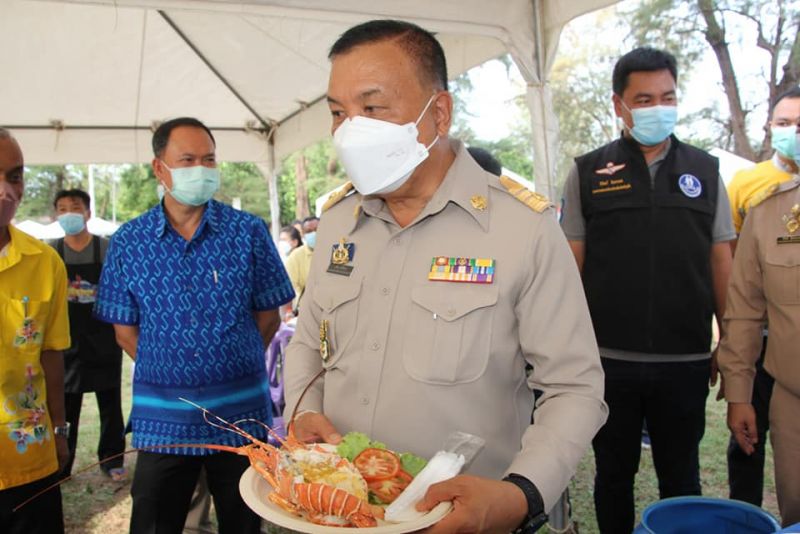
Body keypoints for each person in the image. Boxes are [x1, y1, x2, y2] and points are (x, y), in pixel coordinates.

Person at [283, 20, 607, 534]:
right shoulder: (340, 220)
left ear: (438, 113)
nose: (350, 131)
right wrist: (303, 412)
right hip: (338, 511)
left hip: (461, 520)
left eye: (372, 108)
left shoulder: (522, 229)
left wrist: (520, 494)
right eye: (339, 113)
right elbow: (307, 337)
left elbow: (575, 387)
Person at [560, 47, 735, 533]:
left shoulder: (706, 170)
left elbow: (721, 261)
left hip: (685, 360)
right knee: (613, 475)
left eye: (668, 96)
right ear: (620, 105)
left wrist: (730, 341)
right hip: (608, 361)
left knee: (682, 479)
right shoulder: (588, 171)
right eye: (644, 98)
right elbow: (570, 265)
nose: (658, 107)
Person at [94, 117, 295, 534]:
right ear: (159, 168)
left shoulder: (248, 232)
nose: (200, 169)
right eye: (187, 159)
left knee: (244, 521)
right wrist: (172, 367)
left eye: (208, 159)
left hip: (242, 416)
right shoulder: (129, 241)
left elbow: (270, 314)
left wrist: (228, 361)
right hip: (162, 420)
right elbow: (123, 329)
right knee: (153, 521)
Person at [723, 87, 800, 507]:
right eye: (785, 123)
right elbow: (744, 308)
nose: (794, 133)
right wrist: (739, 392)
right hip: (789, 389)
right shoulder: (766, 205)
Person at [0, 128, 71, 533]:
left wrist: (60, 432)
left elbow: (51, 352)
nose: (6, 191)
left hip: (29, 461)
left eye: (15, 176)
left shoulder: (45, 263)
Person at [49, 189, 126, 482]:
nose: (69, 213)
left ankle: (112, 459)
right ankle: (62, 462)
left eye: (75, 207)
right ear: (57, 215)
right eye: (63, 208)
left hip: (103, 337)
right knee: (67, 404)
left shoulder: (106, 248)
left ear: (88, 213)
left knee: (110, 402)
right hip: (66, 340)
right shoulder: (51, 252)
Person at [284, 217, 320, 313]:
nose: (314, 234)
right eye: (309, 231)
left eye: (317, 230)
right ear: (303, 235)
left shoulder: (336, 253)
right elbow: (291, 287)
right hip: (305, 311)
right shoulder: (295, 257)